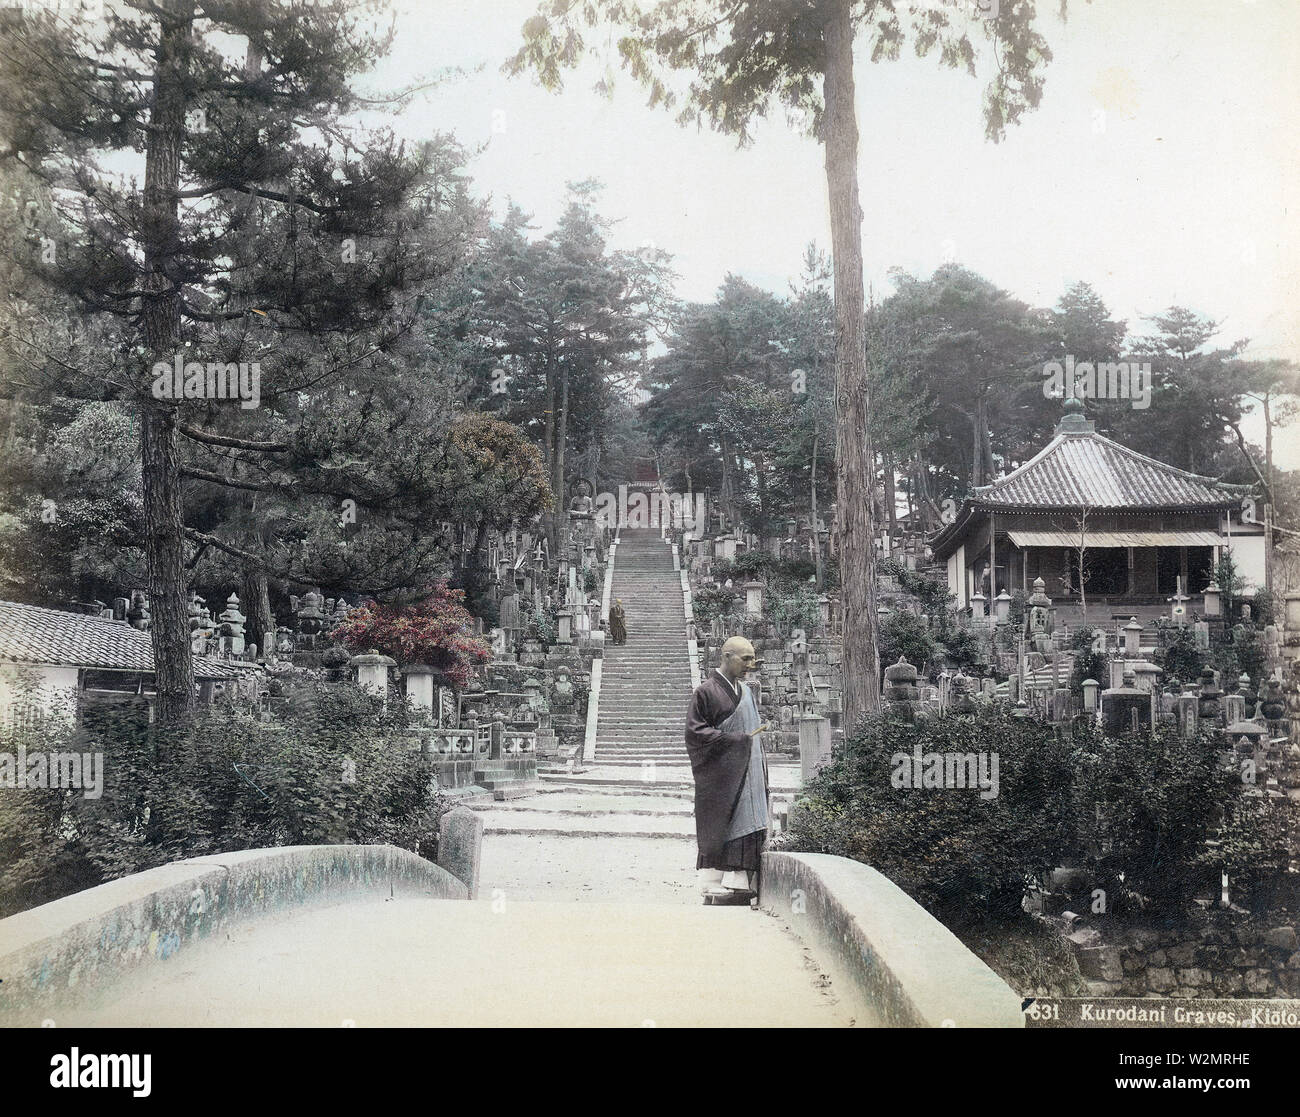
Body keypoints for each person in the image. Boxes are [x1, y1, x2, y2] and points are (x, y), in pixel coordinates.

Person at [684, 635, 770, 905]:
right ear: (726, 656)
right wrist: (735, 741)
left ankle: (740, 882)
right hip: (720, 773)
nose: (750, 665)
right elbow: (695, 734)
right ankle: (713, 883)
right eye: (745, 659)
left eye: (752, 659)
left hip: (747, 770)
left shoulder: (745, 692)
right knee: (719, 820)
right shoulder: (705, 692)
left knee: (747, 819)